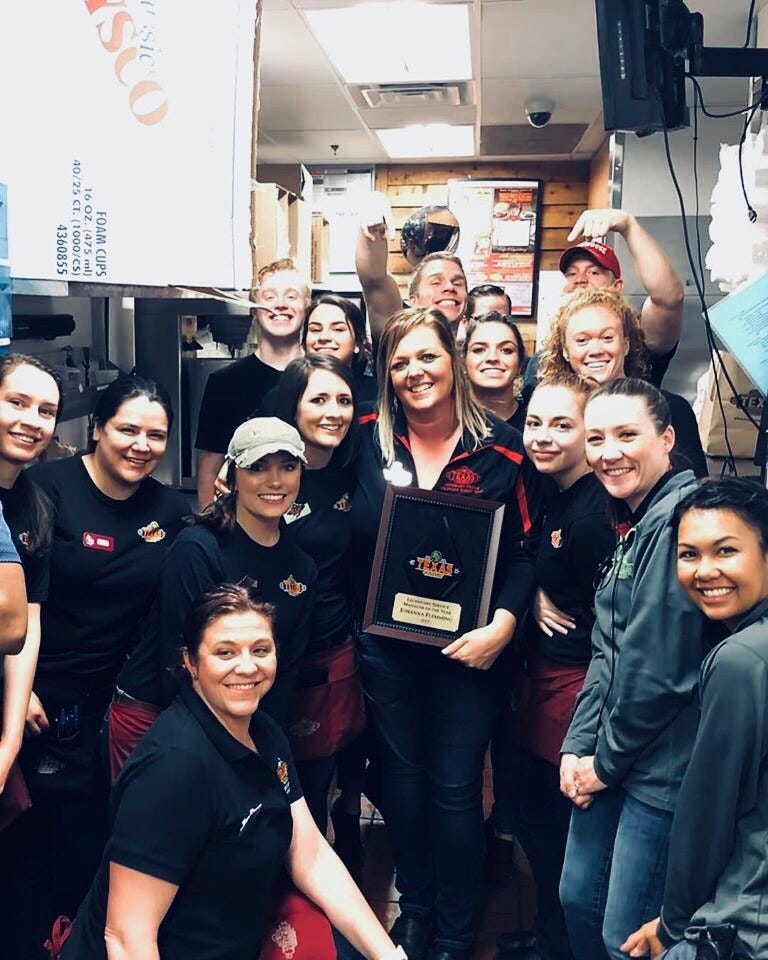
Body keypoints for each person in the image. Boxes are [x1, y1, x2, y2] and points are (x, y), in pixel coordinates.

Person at [60, 582, 403, 960]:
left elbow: (309, 853)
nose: (247, 666)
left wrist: (389, 956)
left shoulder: (263, 730)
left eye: (260, 650)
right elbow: (126, 937)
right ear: (190, 662)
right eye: (225, 653)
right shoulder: (173, 770)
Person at [351, 307, 542, 960]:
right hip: (387, 650)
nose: (414, 372)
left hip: (469, 652)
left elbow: (523, 553)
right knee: (401, 787)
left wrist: (505, 626)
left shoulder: (504, 448)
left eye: (426, 356)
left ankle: (458, 935)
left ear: (453, 360)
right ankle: (418, 915)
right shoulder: (367, 437)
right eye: (400, 362)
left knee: (457, 792)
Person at [2, 375, 188, 959]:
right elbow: (21, 604)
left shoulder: (170, 509)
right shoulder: (42, 489)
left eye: (155, 436)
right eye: (127, 429)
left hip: (109, 706)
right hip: (30, 695)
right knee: (23, 845)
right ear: (97, 429)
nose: (141, 445)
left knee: (87, 844)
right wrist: (17, 689)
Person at [558, 378, 707, 960]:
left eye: (627, 434)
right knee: (576, 898)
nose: (608, 452)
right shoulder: (632, 523)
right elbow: (607, 650)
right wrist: (576, 746)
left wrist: (604, 763)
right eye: (596, 438)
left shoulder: (683, 523)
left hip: (661, 768)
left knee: (626, 936)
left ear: (667, 438)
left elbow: (660, 672)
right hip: (610, 753)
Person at [622, 478, 768, 960]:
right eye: (689, 555)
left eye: (725, 551)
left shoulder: (743, 659)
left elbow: (709, 811)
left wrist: (673, 925)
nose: (705, 571)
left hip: (743, 926)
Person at [497, 376, 616, 960]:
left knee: (557, 830)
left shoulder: (597, 509)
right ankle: (549, 935)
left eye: (561, 425)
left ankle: (561, 945)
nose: (543, 437)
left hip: (573, 688)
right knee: (537, 820)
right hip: (542, 677)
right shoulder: (549, 490)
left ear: (587, 434)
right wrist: (535, 588)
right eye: (536, 423)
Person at [160, 417, 317, 729]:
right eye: (257, 467)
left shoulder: (302, 567)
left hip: (255, 725)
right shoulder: (198, 549)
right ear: (231, 477)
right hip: (181, 724)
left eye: (288, 467)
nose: (275, 481)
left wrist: (265, 744)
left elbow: (286, 674)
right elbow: (176, 661)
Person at [270, 355, 362, 837]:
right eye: (319, 399)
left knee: (318, 776)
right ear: (294, 407)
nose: (333, 412)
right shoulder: (269, 472)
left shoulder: (356, 469)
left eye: (344, 400)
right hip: (269, 653)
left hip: (330, 645)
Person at [538, 288, 707, 478]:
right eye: (582, 340)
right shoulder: (555, 418)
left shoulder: (669, 409)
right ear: (565, 351)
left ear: (626, 345)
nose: (596, 349)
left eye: (607, 338)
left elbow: (695, 493)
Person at [195, 258, 310, 506]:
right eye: (269, 297)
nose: (280, 305)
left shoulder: (323, 380)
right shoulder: (224, 383)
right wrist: (210, 531)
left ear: (306, 307)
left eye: (291, 297)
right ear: (253, 310)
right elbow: (209, 472)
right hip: (245, 524)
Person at [0, 355, 62, 800]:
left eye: (45, 411)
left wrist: (10, 738)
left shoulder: (34, 504)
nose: (31, 421)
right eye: (17, 402)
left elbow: (26, 624)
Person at [562, 208, 684, 362]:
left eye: (593, 272)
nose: (580, 280)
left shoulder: (635, 341)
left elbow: (669, 298)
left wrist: (629, 226)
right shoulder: (543, 360)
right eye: (571, 273)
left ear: (616, 286)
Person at [355, 202, 468, 342]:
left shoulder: (477, 351)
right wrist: (373, 212)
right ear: (414, 300)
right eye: (436, 282)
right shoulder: (399, 339)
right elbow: (374, 280)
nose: (450, 287)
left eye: (457, 283)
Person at [302, 295, 377, 403]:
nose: (324, 337)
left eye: (337, 329)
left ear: (357, 343)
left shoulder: (377, 396)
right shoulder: (285, 390)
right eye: (315, 330)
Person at [462, 311, 527, 431]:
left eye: (506, 350)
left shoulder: (534, 424)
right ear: (463, 362)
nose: (492, 358)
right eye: (479, 350)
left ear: (519, 364)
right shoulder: (446, 422)